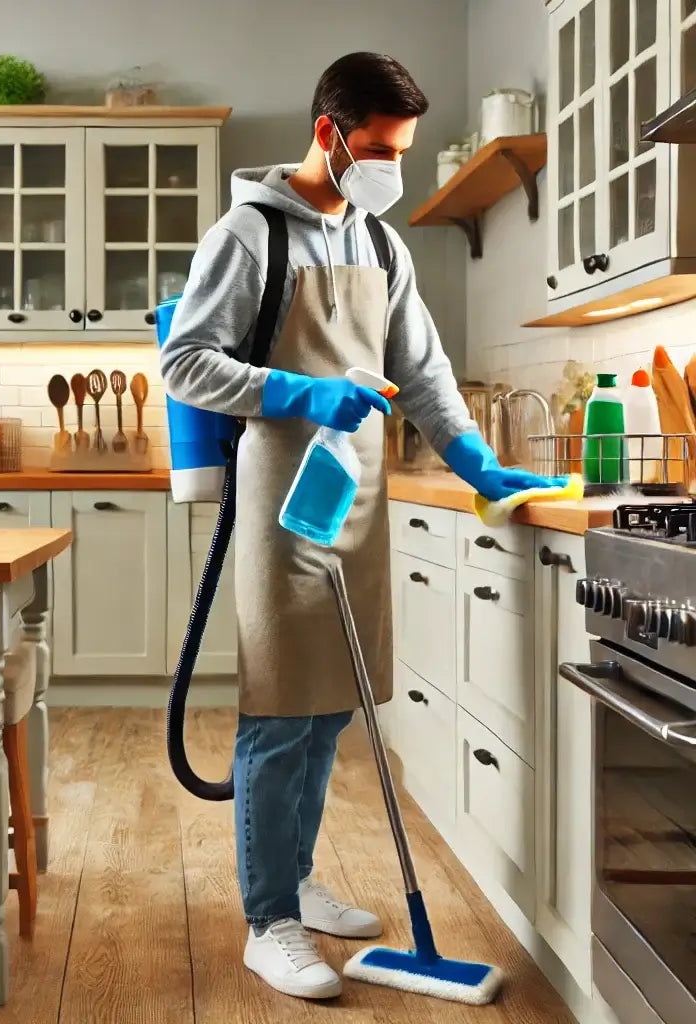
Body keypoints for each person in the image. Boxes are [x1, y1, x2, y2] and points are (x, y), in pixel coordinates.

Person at [159, 52, 564, 1001]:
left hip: (359, 493)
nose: (391, 166)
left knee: (333, 698)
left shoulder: (383, 244)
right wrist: (297, 388)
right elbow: (185, 362)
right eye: (379, 148)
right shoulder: (249, 233)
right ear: (330, 131)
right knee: (279, 705)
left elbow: (420, 372)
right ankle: (270, 920)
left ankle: (296, 880)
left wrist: (473, 459)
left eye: (403, 151)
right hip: (278, 494)